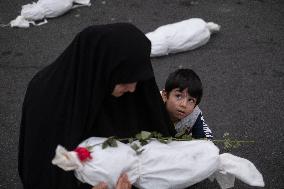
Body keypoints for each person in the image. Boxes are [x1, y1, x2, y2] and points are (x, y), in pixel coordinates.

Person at [18, 23, 175, 189]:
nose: (133, 89)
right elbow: (43, 174)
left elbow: (158, 135)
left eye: (137, 79)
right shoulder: (48, 98)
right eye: (124, 81)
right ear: (102, 70)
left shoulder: (132, 91)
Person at [161, 68, 213, 139]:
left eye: (191, 100)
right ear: (165, 95)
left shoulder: (194, 115)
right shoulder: (151, 106)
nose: (184, 104)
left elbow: (205, 139)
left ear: (195, 105)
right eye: (178, 96)